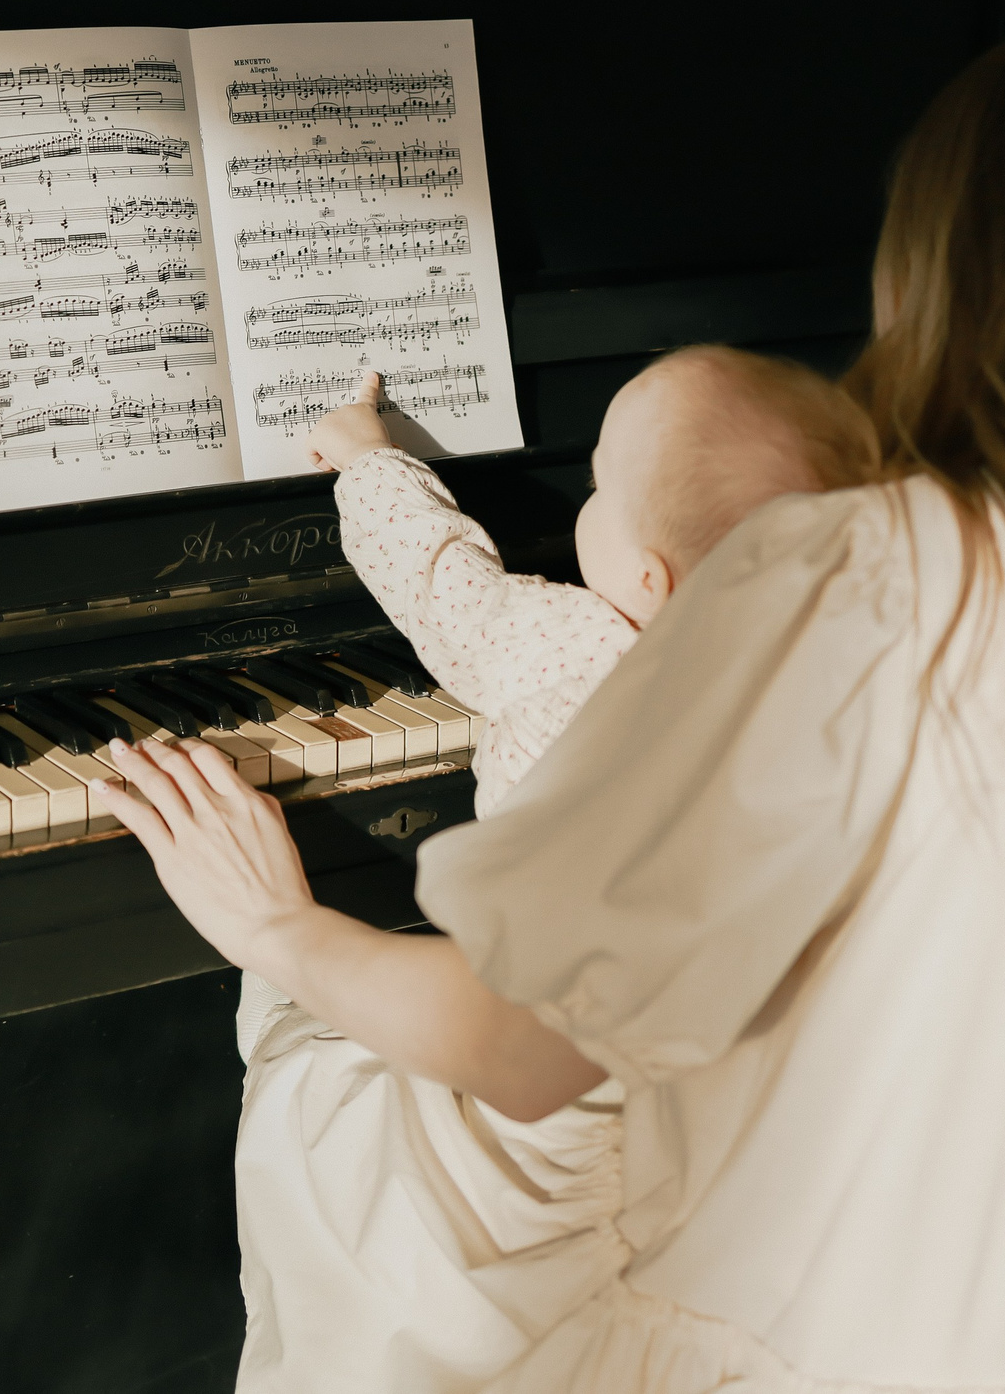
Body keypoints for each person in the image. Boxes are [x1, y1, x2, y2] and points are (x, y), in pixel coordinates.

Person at [90, 14, 1005, 1394]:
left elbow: (523, 1047)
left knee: (345, 1110)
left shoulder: (844, 578)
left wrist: (275, 924)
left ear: (930, 265)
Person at [226, 347, 878, 1393]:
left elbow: (448, 589)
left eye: (600, 489)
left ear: (651, 583)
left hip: (541, 1111)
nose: (583, 502)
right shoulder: (849, 684)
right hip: (720, 1132)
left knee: (300, 1039)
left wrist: (367, 459)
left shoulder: (581, 641)